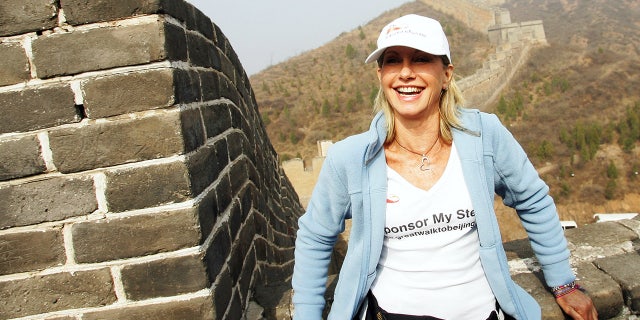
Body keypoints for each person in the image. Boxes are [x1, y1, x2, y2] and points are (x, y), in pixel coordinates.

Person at [292, 14, 597, 320]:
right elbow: (316, 236)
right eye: (393, 61)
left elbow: (533, 201)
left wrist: (563, 283)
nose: (406, 73)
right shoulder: (352, 157)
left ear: (447, 74)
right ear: (380, 76)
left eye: (421, 60)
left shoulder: (483, 135)